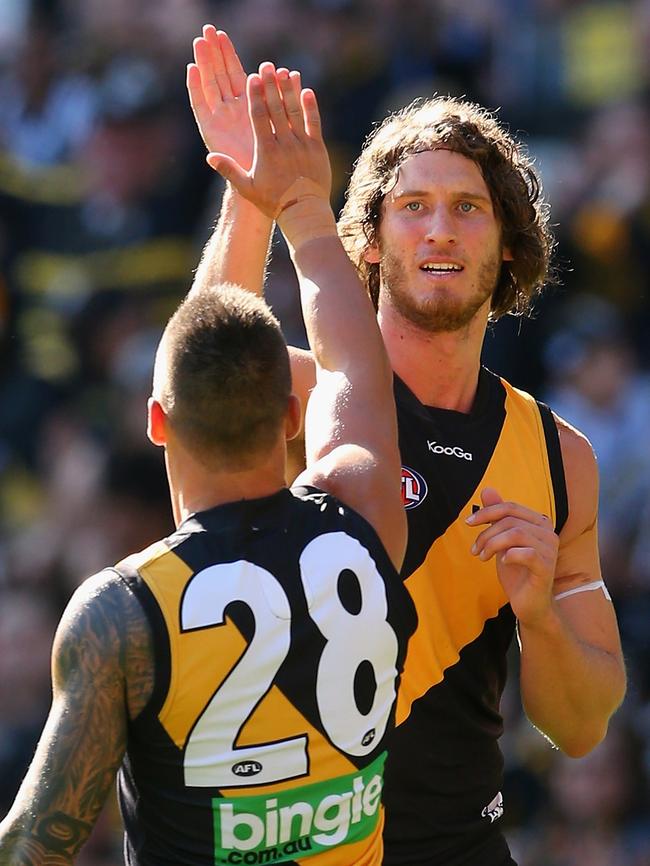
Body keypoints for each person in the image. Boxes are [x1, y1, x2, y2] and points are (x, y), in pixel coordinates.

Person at [187, 26, 627, 866]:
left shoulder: (559, 455)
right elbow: (194, 383)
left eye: (469, 208)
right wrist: (252, 196)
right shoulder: (306, 395)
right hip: (284, 843)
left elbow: (577, 729)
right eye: (413, 206)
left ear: (508, 248)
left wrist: (540, 615)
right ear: (373, 240)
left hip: (458, 844)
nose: (440, 232)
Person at [0, 69, 416, 866]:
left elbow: (33, 848)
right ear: (292, 418)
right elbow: (353, 375)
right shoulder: (363, 514)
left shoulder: (118, 613)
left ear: (156, 423)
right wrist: (299, 210)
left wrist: (250, 202)